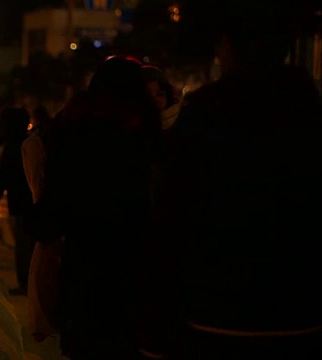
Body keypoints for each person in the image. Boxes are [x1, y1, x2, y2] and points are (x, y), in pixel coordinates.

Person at [152, 2, 322, 359]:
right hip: (302, 307)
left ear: (228, 46)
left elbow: (173, 216)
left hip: (218, 309)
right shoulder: (309, 114)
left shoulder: (204, 114)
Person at [33, 55, 162, 358]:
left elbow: (55, 202)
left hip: (84, 266)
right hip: (137, 268)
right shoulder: (149, 134)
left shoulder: (77, 130)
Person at [0, 106, 35, 296]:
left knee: (24, 247)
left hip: (21, 205)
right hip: (31, 203)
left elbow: (1, 181)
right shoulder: (30, 144)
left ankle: (27, 285)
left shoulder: (14, 148)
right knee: (29, 247)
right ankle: (30, 284)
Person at [21, 105, 62, 342]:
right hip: (46, 212)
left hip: (45, 212)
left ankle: (43, 320)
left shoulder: (34, 145)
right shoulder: (35, 145)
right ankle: (43, 320)